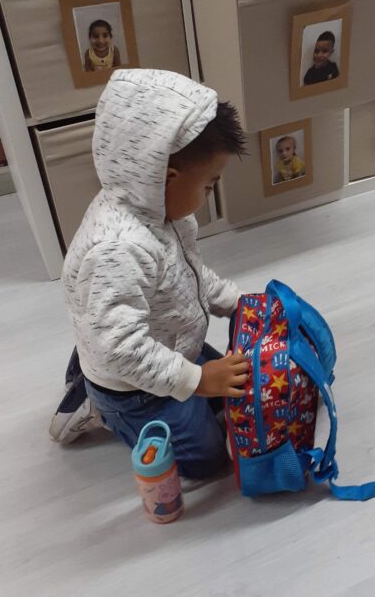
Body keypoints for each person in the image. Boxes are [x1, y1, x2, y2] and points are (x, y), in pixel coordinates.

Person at [49, 69, 249, 481]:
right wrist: (196, 379)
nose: (210, 194)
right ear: (167, 178)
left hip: (166, 344)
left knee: (234, 385)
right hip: (133, 389)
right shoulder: (118, 248)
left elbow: (191, 275)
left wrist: (234, 302)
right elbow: (119, 349)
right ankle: (99, 407)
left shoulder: (168, 213)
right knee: (206, 460)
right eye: (209, 185)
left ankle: (90, 365)